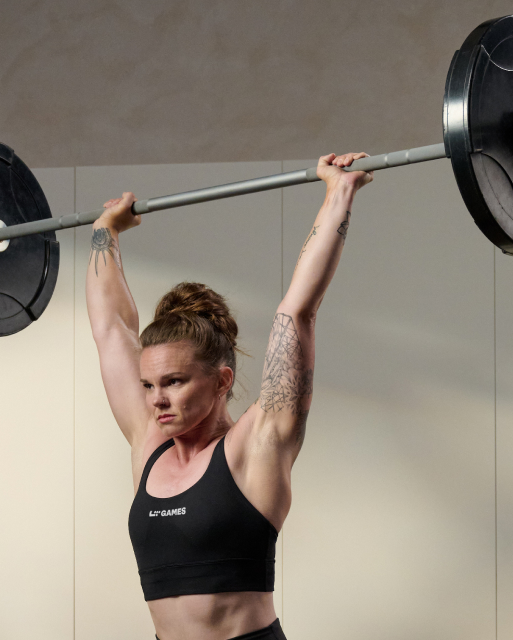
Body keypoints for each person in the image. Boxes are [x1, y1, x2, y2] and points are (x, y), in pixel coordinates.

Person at [86, 152, 373, 640]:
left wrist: (338, 193)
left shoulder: (257, 444)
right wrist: (104, 231)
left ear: (221, 381)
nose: (157, 400)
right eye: (149, 385)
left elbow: (298, 312)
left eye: (175, 382)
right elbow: (111, 329)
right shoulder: (149, 447)